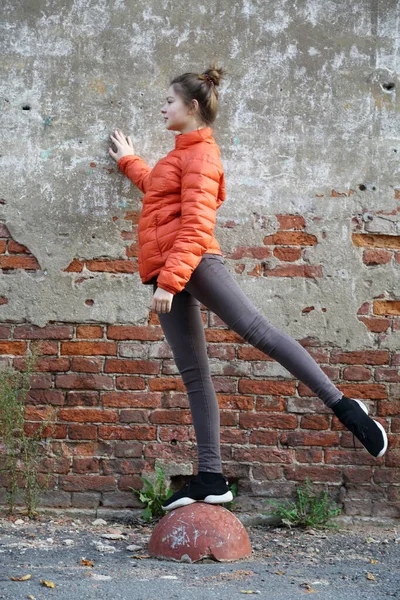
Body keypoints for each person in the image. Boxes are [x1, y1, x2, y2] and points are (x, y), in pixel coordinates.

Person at [108, 63, 388, 513]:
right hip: (170, 270)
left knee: (258, 331)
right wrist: (128, 160)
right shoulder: (180, 154)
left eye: (169, 101)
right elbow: (157, 191)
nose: (163, 107)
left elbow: (198, 225)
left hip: (192, 265)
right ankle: (211, 477)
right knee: (195, 376)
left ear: (192, 106)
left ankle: (345, 408)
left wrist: (170, 279)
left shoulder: (202, 154)